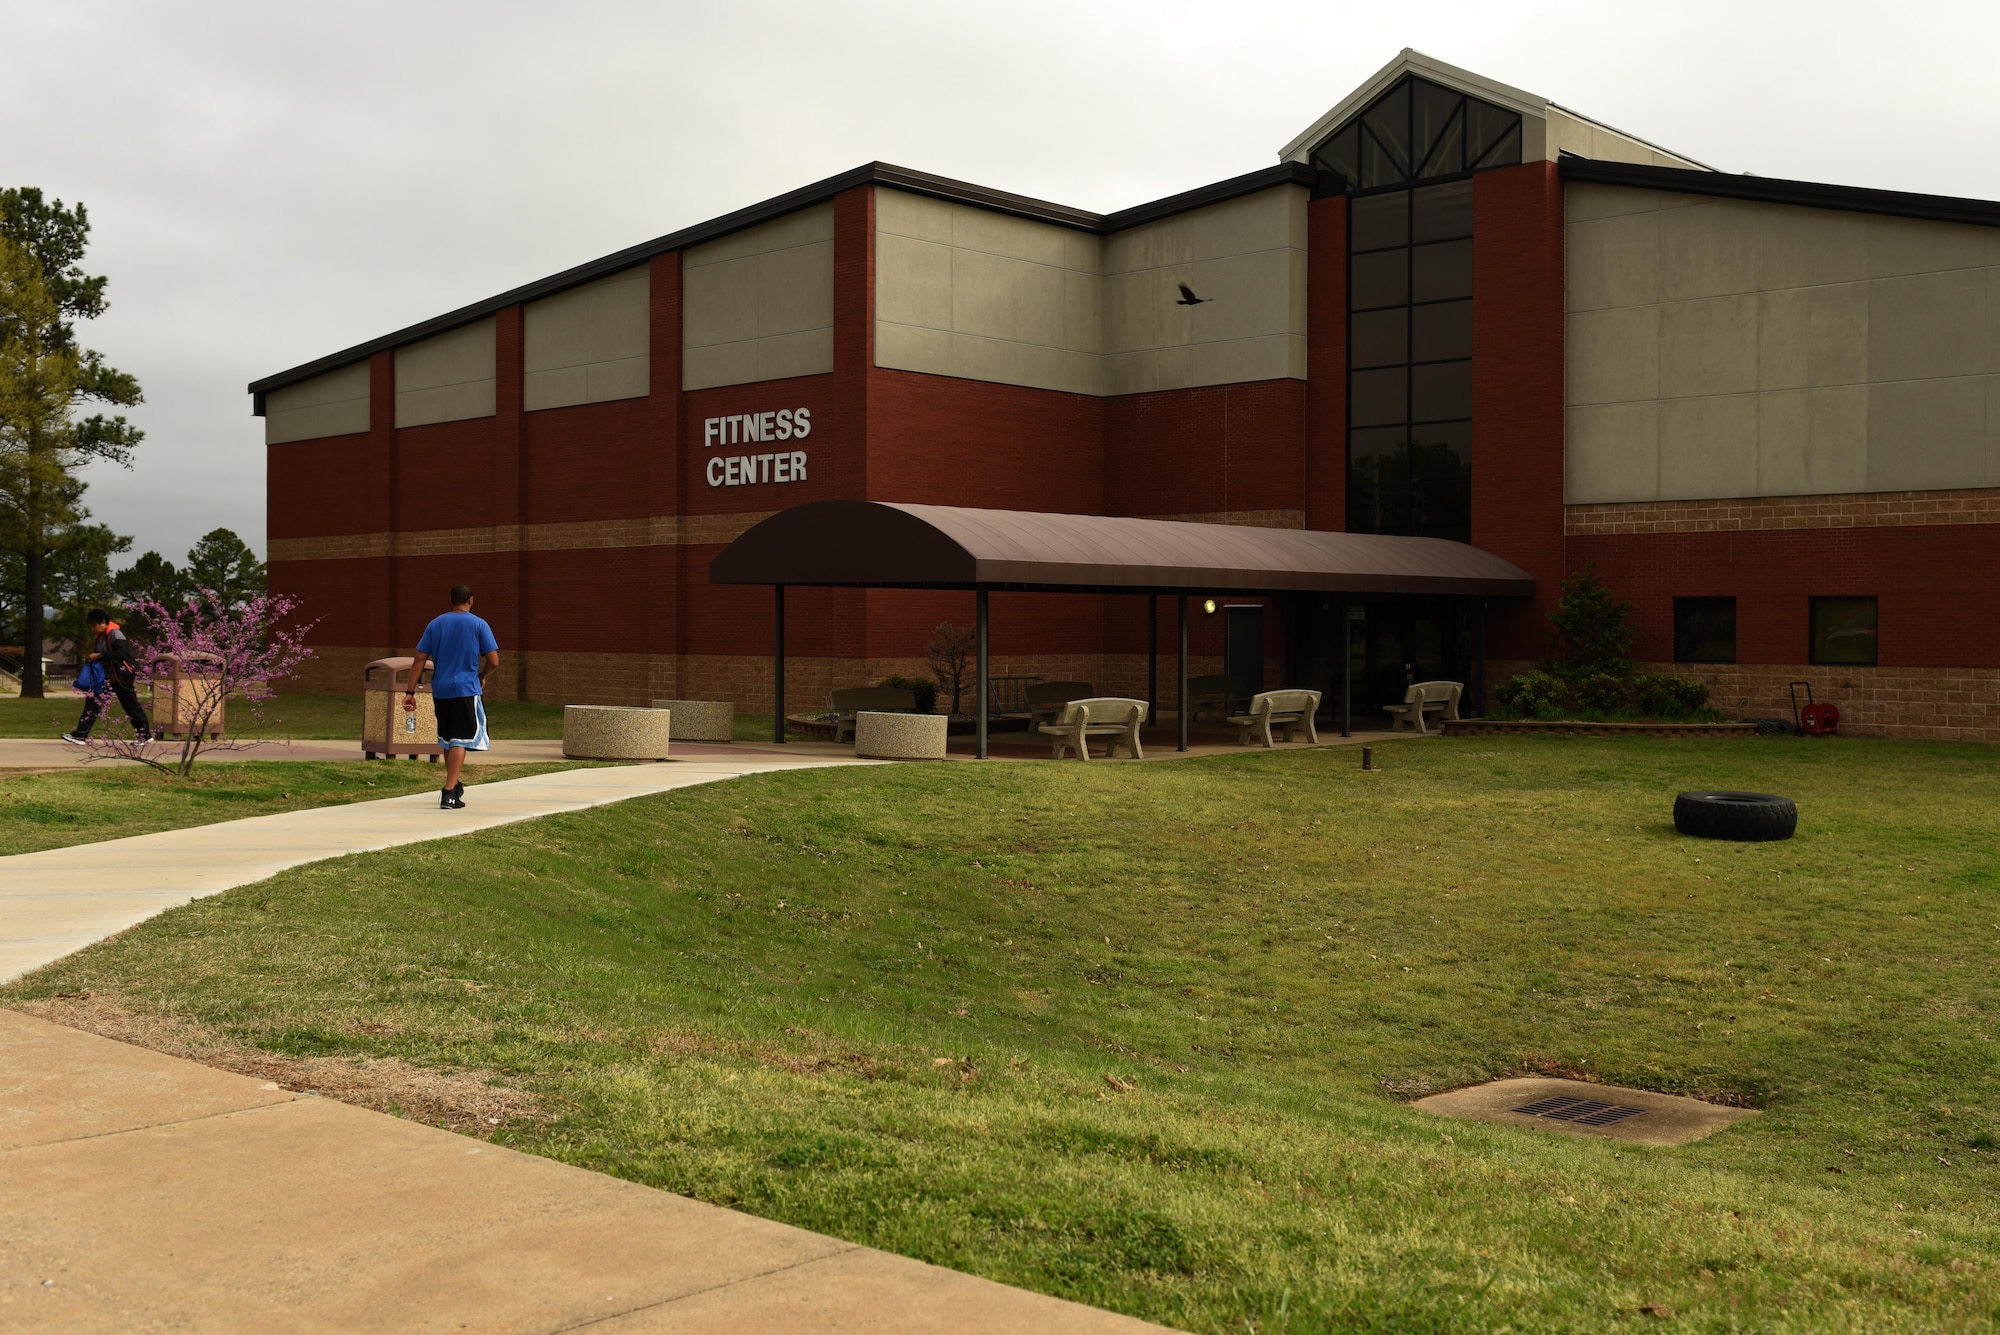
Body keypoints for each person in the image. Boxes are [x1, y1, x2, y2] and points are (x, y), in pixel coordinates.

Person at [402, 584, 499, 809]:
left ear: (451, 600)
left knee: (448, 739)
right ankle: (449, 792)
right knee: (460, 740)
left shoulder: (435, 624)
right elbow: (494, 660)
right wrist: (482, 676)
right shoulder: (479, 624)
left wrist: (410, 691)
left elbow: (419, 658)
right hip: (465, 689)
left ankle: (453, 785)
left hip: (442, 689)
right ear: (471, 600)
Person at [62, 609, 151, 744]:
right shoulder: (101, 637)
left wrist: (100, 655)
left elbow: (121, 654)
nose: (92, 629)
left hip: (121, 676)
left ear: (103, 622)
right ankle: (80, 735)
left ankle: (144, 735)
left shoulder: (115, 634)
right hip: (107, 678)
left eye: (94, 625)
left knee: (130, 705)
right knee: (93, 702)